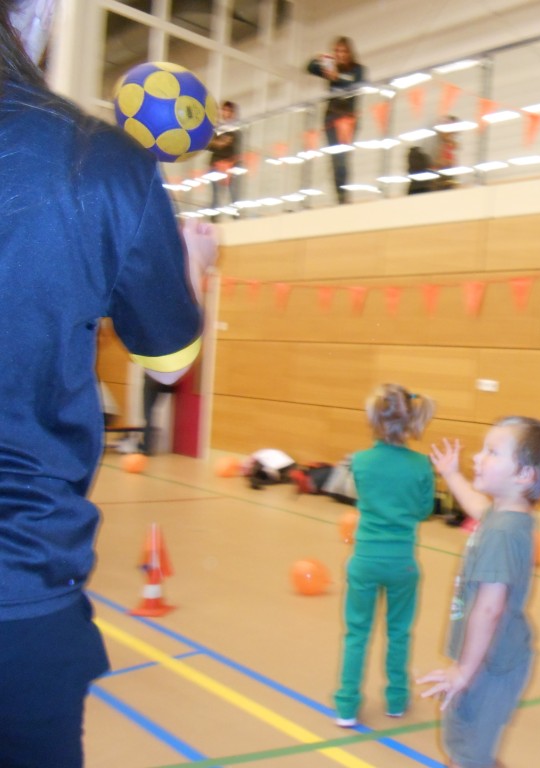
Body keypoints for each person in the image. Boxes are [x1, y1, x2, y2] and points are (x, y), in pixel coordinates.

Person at [0, 1, 215, 765]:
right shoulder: (98, 158)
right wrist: (193, 263)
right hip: (18, 581)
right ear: (38, 16)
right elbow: (170, 360)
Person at [419, 416, 540, 768]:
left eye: (492, 452)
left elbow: (489, 609)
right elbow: (477, 508)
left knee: (468, 755)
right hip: (486, 658)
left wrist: (464, 672)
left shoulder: (502, 533)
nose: (477, 457)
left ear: (525, 475)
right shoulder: (505, 516)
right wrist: (451, 474)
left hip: (490, 667)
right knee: (468, 750)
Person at [334, 384, 436, 727]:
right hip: (402, 563)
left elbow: (362, 496)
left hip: (364, 560)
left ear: (374, 419)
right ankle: (396, 699)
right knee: (399, 633)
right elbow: (423, 511)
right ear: (410, 421)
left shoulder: (360, 461)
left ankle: (346, 705)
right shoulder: (421, 465)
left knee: (356, 633)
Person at [307, 36, 366, 204]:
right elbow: (309, 67)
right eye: (337, 51)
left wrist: (337, 77)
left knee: (343, 158)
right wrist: (319, 59)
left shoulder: (358, 70)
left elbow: (356, 84)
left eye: (343, 51)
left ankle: (344, 194)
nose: (340, 55)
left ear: (349, 52)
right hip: (331, 118)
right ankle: (339, 195)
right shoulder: (331, 69)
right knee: (335, 158)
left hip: (348, 119)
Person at [207, 100, 242, 212]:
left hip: (230, 165)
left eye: (228, 111)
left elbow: (224, 144)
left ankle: (235, 214)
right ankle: (214, 215)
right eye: (224, 110)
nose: (226, 113)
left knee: (233, 193)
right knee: (215, 195)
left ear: (233, 113)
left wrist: (217, 142)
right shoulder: (216, 128)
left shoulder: (235, 130)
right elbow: (210, 144)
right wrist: (218, 142)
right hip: (215, 165)